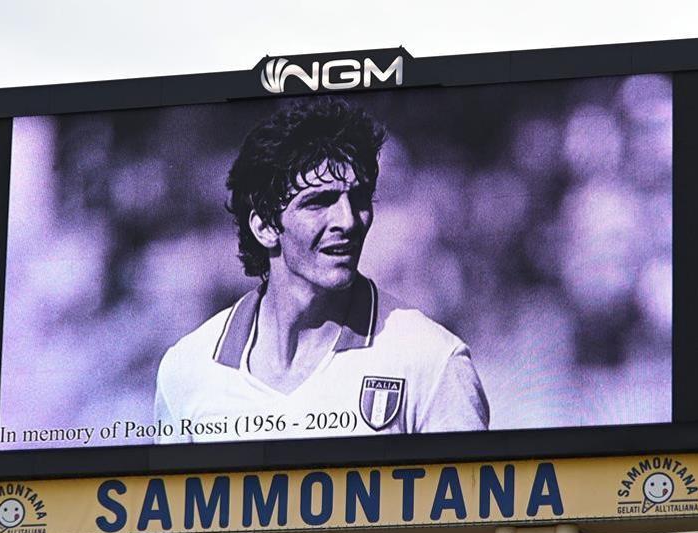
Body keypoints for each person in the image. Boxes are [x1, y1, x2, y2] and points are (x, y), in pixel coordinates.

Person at [154, 97, 488, 443]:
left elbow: (469, 497)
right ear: (265, 227)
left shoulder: (432, 361)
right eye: (318, 202)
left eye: (358, 199)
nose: (348, 221)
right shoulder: (188, 370)